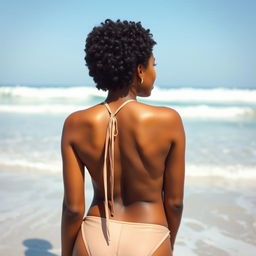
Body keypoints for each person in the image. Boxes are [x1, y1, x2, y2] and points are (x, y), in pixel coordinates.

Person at [61, 19, 185, 256]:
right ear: (140, 70)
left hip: (94, 235)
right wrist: (166, 242)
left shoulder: (75, 123)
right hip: (149, 236)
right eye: (153, 65)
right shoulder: (169, 120)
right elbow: (175, 202)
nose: (154, 72)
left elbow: (73, 209)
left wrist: (68, 253)